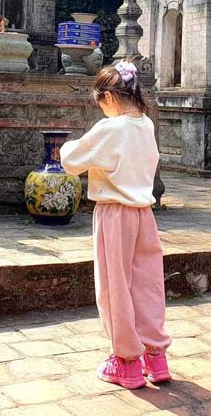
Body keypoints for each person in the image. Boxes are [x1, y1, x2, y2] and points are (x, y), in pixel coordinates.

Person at [60, 61, 172, 390]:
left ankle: (126, 361)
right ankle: (156, 355)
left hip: (114, 213)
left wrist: (65, 146)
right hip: (143, 213)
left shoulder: (111, 128)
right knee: (148, 284)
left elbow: (71, 160)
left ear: (108, 96)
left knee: (115, 287)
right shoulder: (145, 124)